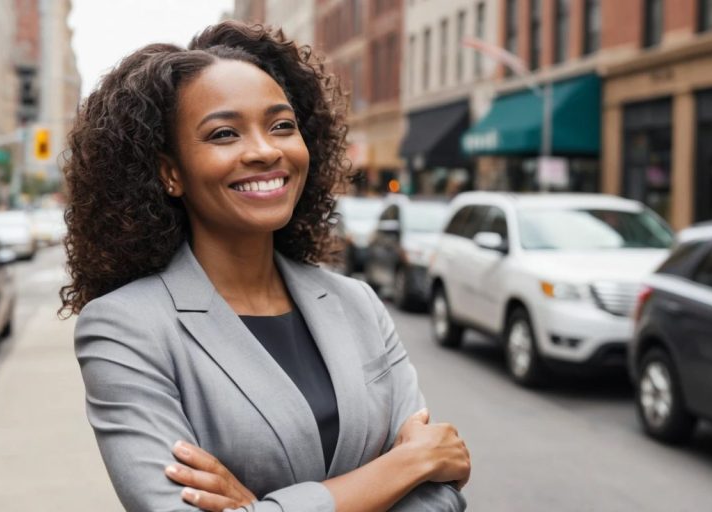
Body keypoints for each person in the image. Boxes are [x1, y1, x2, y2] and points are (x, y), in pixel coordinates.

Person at [62, 20, 470, 512]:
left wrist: (258, 507)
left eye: (281, 125)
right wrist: (403, 467)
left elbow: (440, 494)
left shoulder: (357, 303)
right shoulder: (124, 328)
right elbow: (423, 464)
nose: (264, 150)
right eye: (224, 133)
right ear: (171, 173)